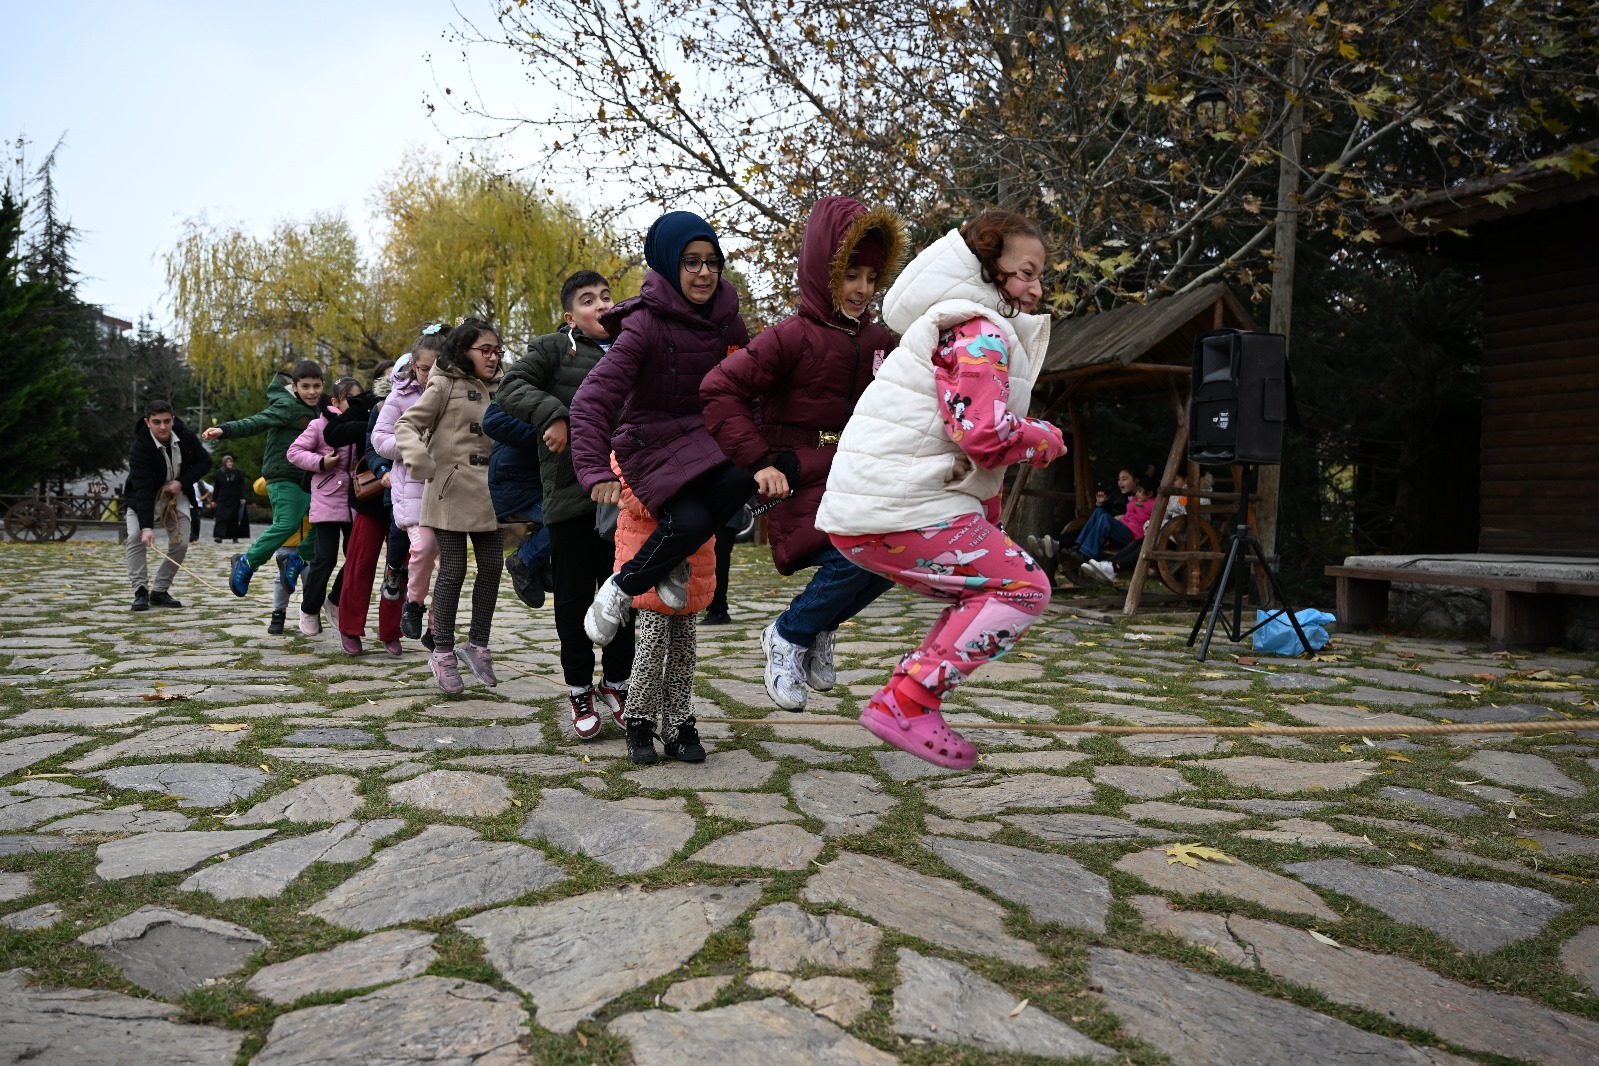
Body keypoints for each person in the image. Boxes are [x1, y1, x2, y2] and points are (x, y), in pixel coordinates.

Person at [816, 210, 1065, 768]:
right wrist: (1043, 438)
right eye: (1025, 272)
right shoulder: (978, 332)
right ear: (987, 267)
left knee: (981, 591)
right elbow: (982, 432)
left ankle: (909, 696)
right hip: (901, 510)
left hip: (879, 509)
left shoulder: (952, 325)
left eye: (1039, 276)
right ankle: (908, 700)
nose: (1036, 287)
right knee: (1024, 589)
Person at [702, 195, 904, 710]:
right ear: (824, 270)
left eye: (871, 279)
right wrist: (759, 462)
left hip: (855, 472)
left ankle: (816, 626)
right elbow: (719, 389)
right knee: (857, 556)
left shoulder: (881, 340)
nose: (861, 289)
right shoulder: (789, 337)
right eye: (851, 275)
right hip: (794, 476)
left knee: (892, 556)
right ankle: (790, 634)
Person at [568, 211, 757, 656]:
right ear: (669, 263)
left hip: (708, 443)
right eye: (692, 261)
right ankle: (620, 587)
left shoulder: (729, 319)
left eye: (713, 261)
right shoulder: (644, 324)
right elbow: (591, 400)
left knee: (754, 470)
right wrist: (596, 472)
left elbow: (751, 385)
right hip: (649, 443)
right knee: (690, 521)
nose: (705, 273)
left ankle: (665, 561)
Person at [498, 270, 638, 739]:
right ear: (570, 315)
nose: (600, 305)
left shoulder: (634, 346)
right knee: (576, 598)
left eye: (605, 296)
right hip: (571, 495)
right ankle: (579, 686)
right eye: (587, 300)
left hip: (627, 497)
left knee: (623, 597)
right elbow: (510, 389)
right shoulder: (554, 349)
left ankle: (617, 683)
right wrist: (553, 415)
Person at [394, 318, 505, 695]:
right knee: (453, 568)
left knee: (493, 564)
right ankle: (442, 652)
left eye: (497, 351)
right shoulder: (443, 382)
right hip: (449, 489)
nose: (492, 358)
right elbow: (407, 425)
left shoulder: (503, 385)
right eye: (484, 350)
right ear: (465, 350)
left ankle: (477, 644)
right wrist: (419, 459)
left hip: (490, 490)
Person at [609, 455, 716, 764]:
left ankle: (678, 723)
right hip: (651, 547)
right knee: (652, 643)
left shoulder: (700, 436)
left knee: (685, 646)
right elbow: (625, 484)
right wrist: (673, 509)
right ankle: (639, 721)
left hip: (694, 551)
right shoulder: (635, 434)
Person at [203, 361, 326, 597]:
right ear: (295, 387)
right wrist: (224, 430)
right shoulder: (287, 406)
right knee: (287, 523)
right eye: (306, 386)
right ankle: (247, 562)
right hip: (283, 475)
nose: (312, 392)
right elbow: (257, 421)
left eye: (317, 386)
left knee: (328, 521)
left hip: (309, 476)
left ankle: (297, 560)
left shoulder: (321, 407)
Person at [371, 332, 448, 646]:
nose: (428, 374)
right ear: (414, 366)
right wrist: (412, 449)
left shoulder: (456, 391)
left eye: (436, 368)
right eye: (423, 368)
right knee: (425, 547)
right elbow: (379, 439)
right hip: (413, 485)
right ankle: (413, 603)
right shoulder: (401, 396)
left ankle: (436, 626)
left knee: (452, 563)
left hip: (450, 487)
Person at [326, 372, 403, 655]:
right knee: (360, 563)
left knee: (399, 568)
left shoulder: (427, 401)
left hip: (407, 498)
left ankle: (391, 631)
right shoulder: (370, 406)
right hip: (373, 496)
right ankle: (350, 627)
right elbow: (335, 432)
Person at [287, 377, 364, 639]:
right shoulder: (319, 425)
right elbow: (294, 452)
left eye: (358, 399)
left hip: (355, 499)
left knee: (355, 558)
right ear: (334, 402)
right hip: (327, 497)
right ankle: (309, 609)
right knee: (325, 558)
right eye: (348, 399)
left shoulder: (363, 425)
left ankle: (334, 600)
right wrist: (321, 462)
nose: (353, 405)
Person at [124, 400, 212, 611]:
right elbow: (143, 489)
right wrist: (146, 527)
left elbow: (205, 462)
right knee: (136, 537)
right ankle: (141, 591)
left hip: (177, 496)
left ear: (173, 419)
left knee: (181, 543)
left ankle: (160, 591)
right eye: (156, 422)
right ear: (147, 422)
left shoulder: (186, 437)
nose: (162, 427)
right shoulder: (139, 448)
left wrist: (181, 482)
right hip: (143, 499)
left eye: (166, 421)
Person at [482, 400, 552, 608]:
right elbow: (493, 421)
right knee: (567, 521)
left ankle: (538, 559)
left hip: (546, 484)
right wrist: (549, 431)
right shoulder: (524, 380)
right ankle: (525, 560)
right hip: (517, 484)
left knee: (576, 518)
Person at [252, 475, 311, 635]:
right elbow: (259, 487)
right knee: (282, 579)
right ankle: (278, 613)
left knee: (311, 579)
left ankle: (311, 613)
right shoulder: (282, 474)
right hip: (286, 540)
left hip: (310, 540)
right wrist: (281, 474)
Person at [210, 456, 248, 542]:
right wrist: (213, 500)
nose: (229, 464)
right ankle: (219, 536)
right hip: (222, 499)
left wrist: (243, 497)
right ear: (224, 463)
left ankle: (234, 537)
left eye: (231, 462)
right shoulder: (219, 473)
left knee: (233, 518)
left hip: (235, 499)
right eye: (227, 462)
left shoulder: (237, 472)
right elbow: (217, 487)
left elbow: (242, 485)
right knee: (220, 517)